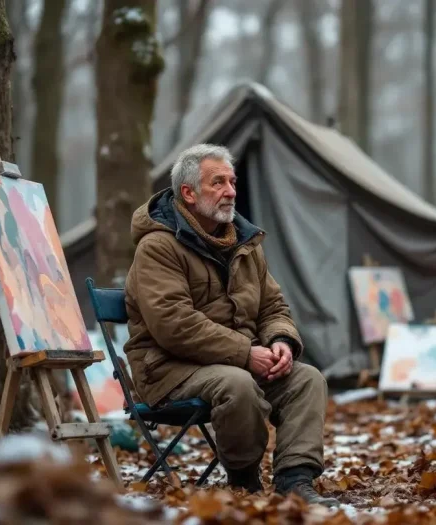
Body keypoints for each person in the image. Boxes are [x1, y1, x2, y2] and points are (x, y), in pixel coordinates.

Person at [123, 143, 338, 507]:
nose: (231, 191)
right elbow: (173, 324)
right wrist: (244, 353)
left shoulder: (245, 243)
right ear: (188, 193)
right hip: (167, 369)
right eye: (218, 182)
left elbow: (273, 306)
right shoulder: (158, 247)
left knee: (306, 380)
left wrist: (281, 340)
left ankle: (295, 480)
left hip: (232, 360)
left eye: (232, 181)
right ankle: (243, 480)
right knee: (236, 383)